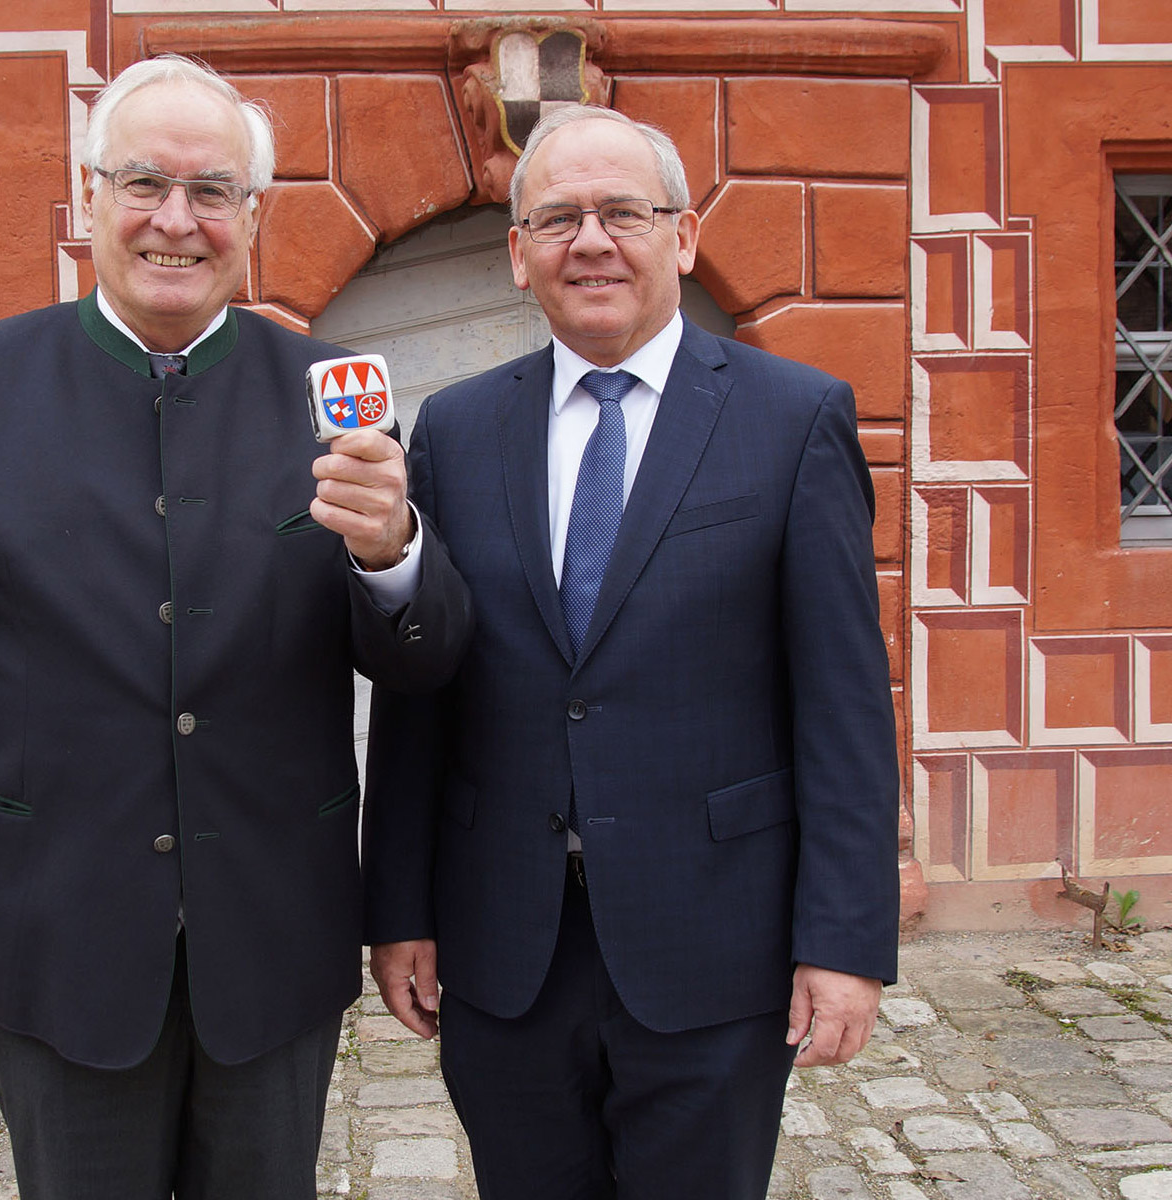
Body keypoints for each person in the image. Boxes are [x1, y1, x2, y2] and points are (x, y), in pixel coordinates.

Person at [0, 54, 470, 1200]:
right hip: (57, 927)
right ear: (90, 195)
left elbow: (425, 661)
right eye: (144, 184)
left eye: (212, 192)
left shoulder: (333, 392)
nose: (175, 222)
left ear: (254, 214)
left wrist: (393, 555)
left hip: (274, 931)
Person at [362, 104, 899, 1200]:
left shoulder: (791, 419)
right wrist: (399, 913)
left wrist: (843, 940)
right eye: (557, 217)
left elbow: (842, 703)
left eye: (623, 212)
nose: (591, 240)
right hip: (505, 943)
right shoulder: (456, 431)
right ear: (518, 256)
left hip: (713, 939)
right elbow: (425, 700)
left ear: (683, 237)